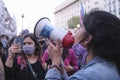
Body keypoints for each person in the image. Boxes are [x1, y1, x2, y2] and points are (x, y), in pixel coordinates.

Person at [45, 10, 120, 80]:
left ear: (88, 39)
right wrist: (61, 70)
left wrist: (54, 63)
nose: (74, 33)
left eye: (80, 27)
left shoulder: (87, 75)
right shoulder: (110, 67)